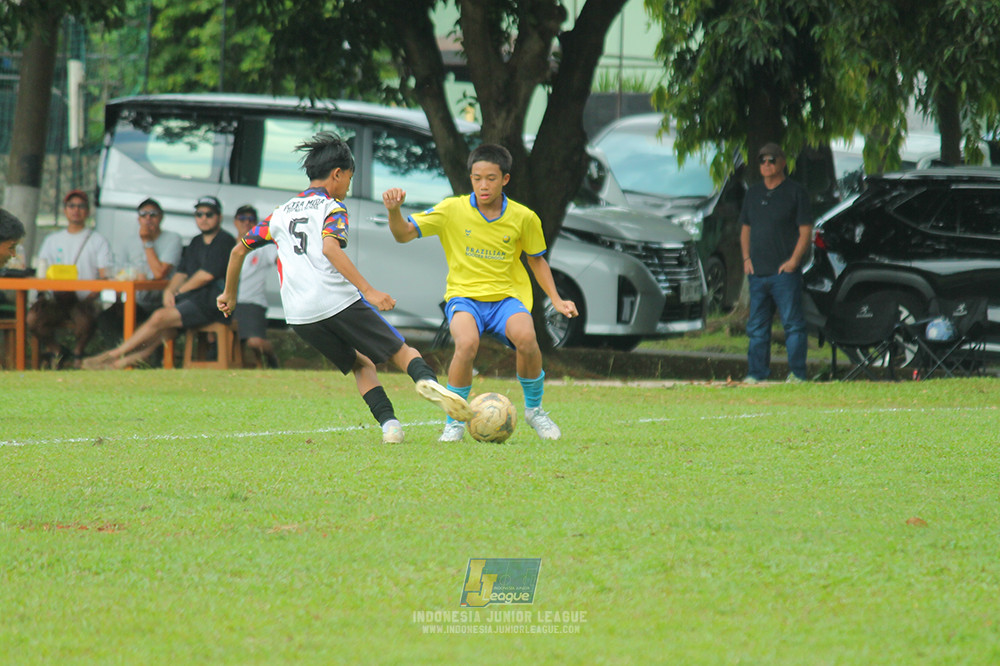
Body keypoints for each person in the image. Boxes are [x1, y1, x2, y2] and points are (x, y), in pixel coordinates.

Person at [216, 132, 473, 444]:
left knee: (360, 363)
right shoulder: (332, 207)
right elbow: (330, 249)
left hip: (299, 316)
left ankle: (390, 426)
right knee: (399, 350)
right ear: (337, 174)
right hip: (337, 301)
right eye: (349, 178)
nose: (349, 186)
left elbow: (237, 251)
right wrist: (370, 291)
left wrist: (229, 294)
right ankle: (431, 385)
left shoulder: (280, 214)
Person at [382, 143, 578, 442]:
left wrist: (556, 298)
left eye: (491, 178)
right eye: (477, 178)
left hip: (507, 298)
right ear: (470, 178)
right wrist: (394, 211)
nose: (483, 185)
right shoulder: (452, 209)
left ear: (505, 180)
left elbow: (536, 260)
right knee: (467, 343)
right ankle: (455, 422)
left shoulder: (524, 217)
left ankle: (535, 410)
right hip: (464, 297)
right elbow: (402, 234)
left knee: (527, 339)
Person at [83, 195, 236, 369]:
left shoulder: (225, 241)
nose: (204, 219)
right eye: (199, 214)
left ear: (220, 218)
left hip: (214, 303)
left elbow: (206, 275)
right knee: (163, 331)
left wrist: (180, 291)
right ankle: (118, 364)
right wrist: (169, 291)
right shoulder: (195, 242)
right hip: (193, 301)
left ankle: (113, 355)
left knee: (159, 317)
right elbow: (181, 273)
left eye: (209, 214)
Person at [739, 142, 813, 383]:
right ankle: (756, 374)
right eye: (762, 160)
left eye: (772, 159)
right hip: (757, 273)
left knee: (792, 324)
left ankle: (797, 374)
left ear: (782, 162)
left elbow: (805, 231)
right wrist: (746, 259)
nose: (767, 164)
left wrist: (793, 262)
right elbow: (745, 229)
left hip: (785, 274)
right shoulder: (753, 193)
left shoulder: (796, 192)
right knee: (757, 328)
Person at [28, 189, 113, 368]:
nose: (76, 210)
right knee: (32, 319)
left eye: (81, 206)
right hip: (55, 299)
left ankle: (78, 354)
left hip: (83, 300)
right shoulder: (52, 240)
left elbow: (105, 277)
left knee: (86, 320)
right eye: (71, 206)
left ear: (88, 211)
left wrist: (91, 297)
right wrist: (42, 295)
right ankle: (57, 350)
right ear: (65, 210)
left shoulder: (97, 240)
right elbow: (42, 274)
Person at [99, 198, 184, 349]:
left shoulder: (173, 238)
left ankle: (147, 359)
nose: (148, 219)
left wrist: (147, 242)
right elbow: (119, 273)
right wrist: (118, 301)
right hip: (137, 301)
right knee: (107, 317)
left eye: (153, 214)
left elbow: (160, 273)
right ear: (138, 219)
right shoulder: (128, 241)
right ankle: (118, 355)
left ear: (161, 217)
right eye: (144, 215)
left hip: (164, 301)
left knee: (154, 320)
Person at [230, 204, 279, 368]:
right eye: (242, 218)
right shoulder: (227, 244)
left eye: (251, 219)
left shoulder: (263, 246)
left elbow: (279, 259)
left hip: (252, 302)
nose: (246, 222)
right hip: (227, 301)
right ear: (235, 222)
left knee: (255, 342)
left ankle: (271, 358)